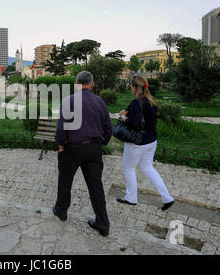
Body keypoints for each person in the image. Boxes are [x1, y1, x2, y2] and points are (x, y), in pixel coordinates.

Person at [53, 71, 113, 237]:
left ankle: (61, 211)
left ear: (76, 85)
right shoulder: (100, 102)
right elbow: (109, 128)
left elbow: (61, 127)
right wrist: (101, 143)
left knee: (65, 181)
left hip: (72, 148)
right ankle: (103, 223)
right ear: (92, 84)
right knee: (96, 187)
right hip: (94, 149)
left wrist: (60, 144)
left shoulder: (69, 101)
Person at [117, 75, 175, 211]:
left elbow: (134, 123)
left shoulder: (137, 103)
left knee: (129, 168)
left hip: (137, 143)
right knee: (148, 168)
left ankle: (131, 198)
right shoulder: (152, 101)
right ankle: (167, 198)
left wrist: (123, 118)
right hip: (151, 141)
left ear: (134, 87)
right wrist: (127, 113)